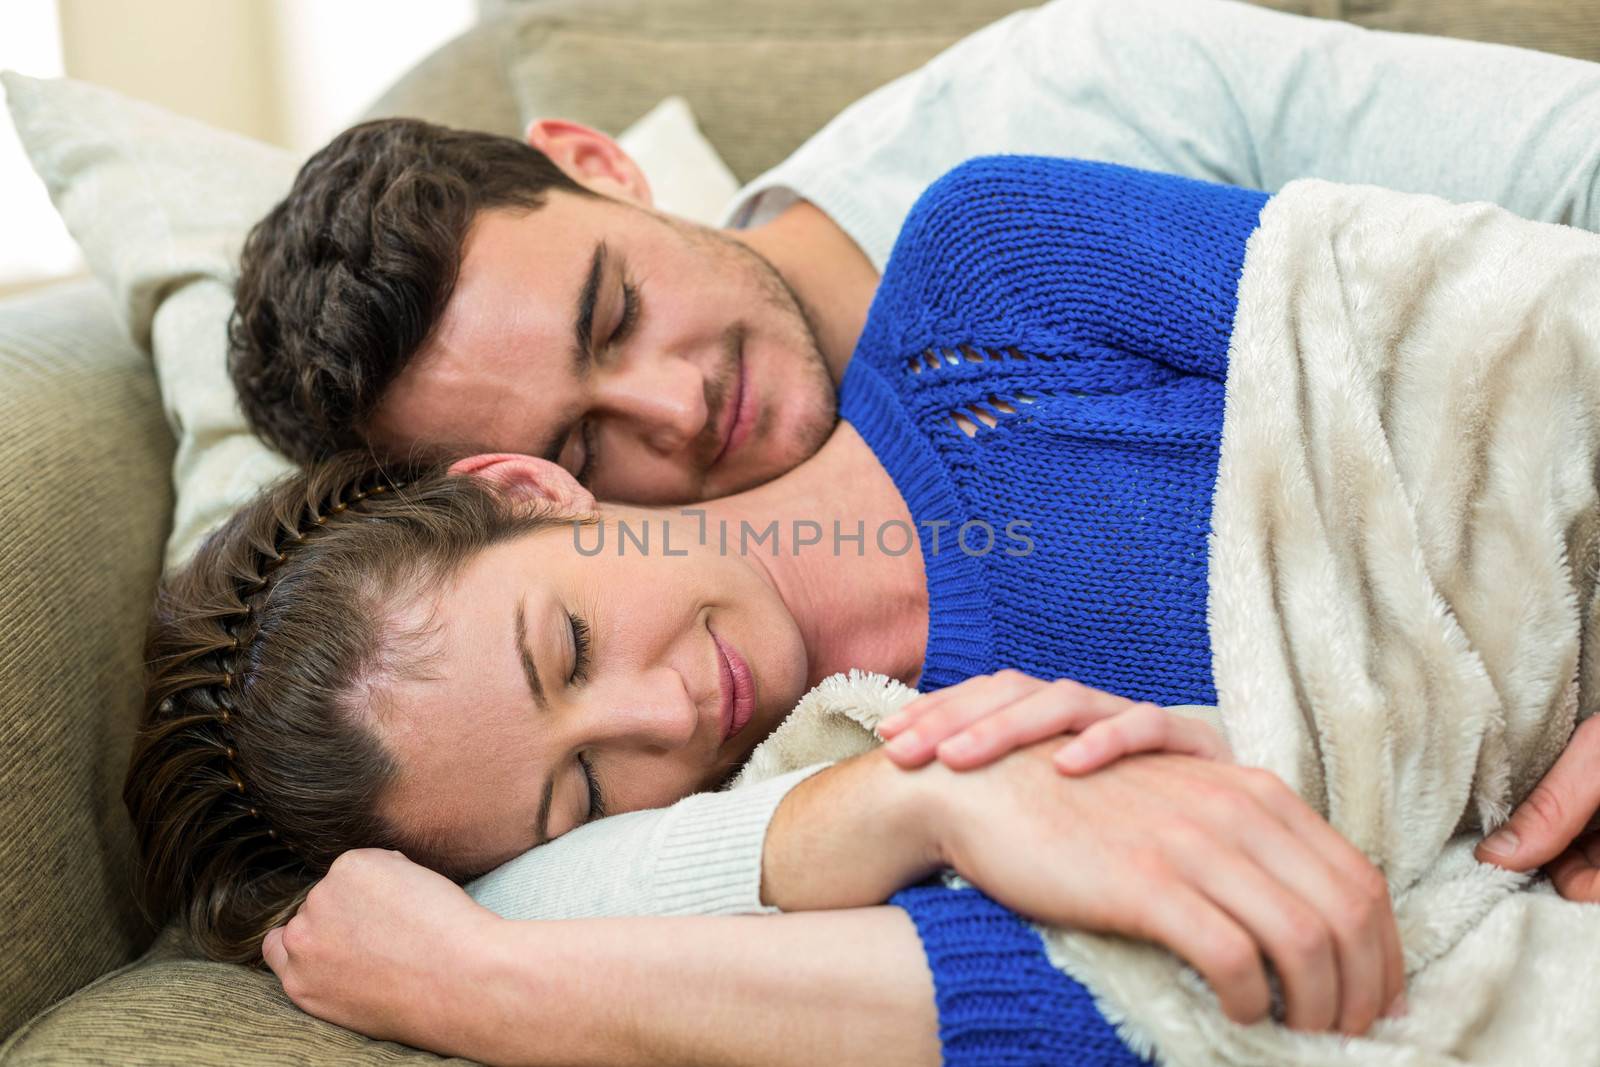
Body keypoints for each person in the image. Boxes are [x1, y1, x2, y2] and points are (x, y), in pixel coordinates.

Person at [225, 0, 1600, 897]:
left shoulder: (1059, 118)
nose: (674, 405)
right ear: (529, 487)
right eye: (588, 438)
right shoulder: (787, 715)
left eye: (615, 312)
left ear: (602, 164)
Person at [134, 155, 1421, 1063]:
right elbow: (1121, 1010)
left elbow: (1501, 332)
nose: (666, 714)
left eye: (568, 646)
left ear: (532, 490)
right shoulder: (837, 814)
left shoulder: (993, 275)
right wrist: (491, 984)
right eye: (581, 790)